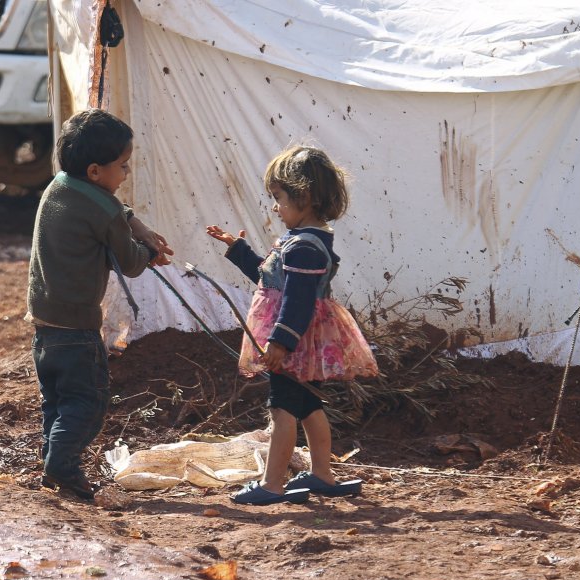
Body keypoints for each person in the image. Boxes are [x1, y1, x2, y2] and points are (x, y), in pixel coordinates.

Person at [206, 145, 378, 506]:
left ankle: (271, 484)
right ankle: (321, 474)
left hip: (294, 339)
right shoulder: (301, 242)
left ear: (306, 197)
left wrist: (280, 342)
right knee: (308, 404)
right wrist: (238, 249)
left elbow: (298, 301)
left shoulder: (304, 247)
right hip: (303, 339)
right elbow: (269, 279)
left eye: (279, 197)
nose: (274, 206)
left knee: (282, 407)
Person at [28, 109, 172, 500]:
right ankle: (62, 465)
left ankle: (52, 461)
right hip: (78, 328)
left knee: (57, 402)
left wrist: (133, 222)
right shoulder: (105, 211)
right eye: (122, 167)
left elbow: (103, 209)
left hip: (43, 324)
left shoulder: (57, 186)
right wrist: (148, 251)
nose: (125, 175)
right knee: (88, 402)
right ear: (95, 171)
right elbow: (129, 262)